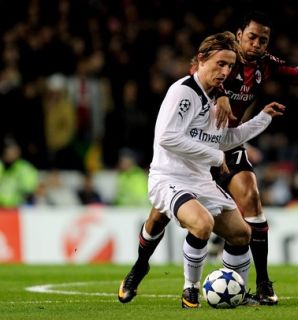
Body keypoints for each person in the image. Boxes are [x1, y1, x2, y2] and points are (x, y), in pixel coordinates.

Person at [119, 10, 298, 306]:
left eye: (263, 40)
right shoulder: (199, 81)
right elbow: (195, 79)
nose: (257, 44)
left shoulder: (263, 66)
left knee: (249, 212)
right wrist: (219, 95)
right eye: (252, 37)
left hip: (222, 142)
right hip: (189, 157)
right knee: (161, 216)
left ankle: (257, 284)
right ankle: (144, 268)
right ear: (240, 35)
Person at [117, 31, 286, 308]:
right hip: (169, 178)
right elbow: (168, 137)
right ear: (201, 60)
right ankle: (190, 289)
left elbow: (226, 139)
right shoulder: (184, 91)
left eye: (230, 66)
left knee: (242, 233)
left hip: (199, 180)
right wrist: (214, 156)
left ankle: (237, 293)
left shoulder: (216, 101)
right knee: (202, 224)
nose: (225, 71)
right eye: (220, 64)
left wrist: (263, 118)